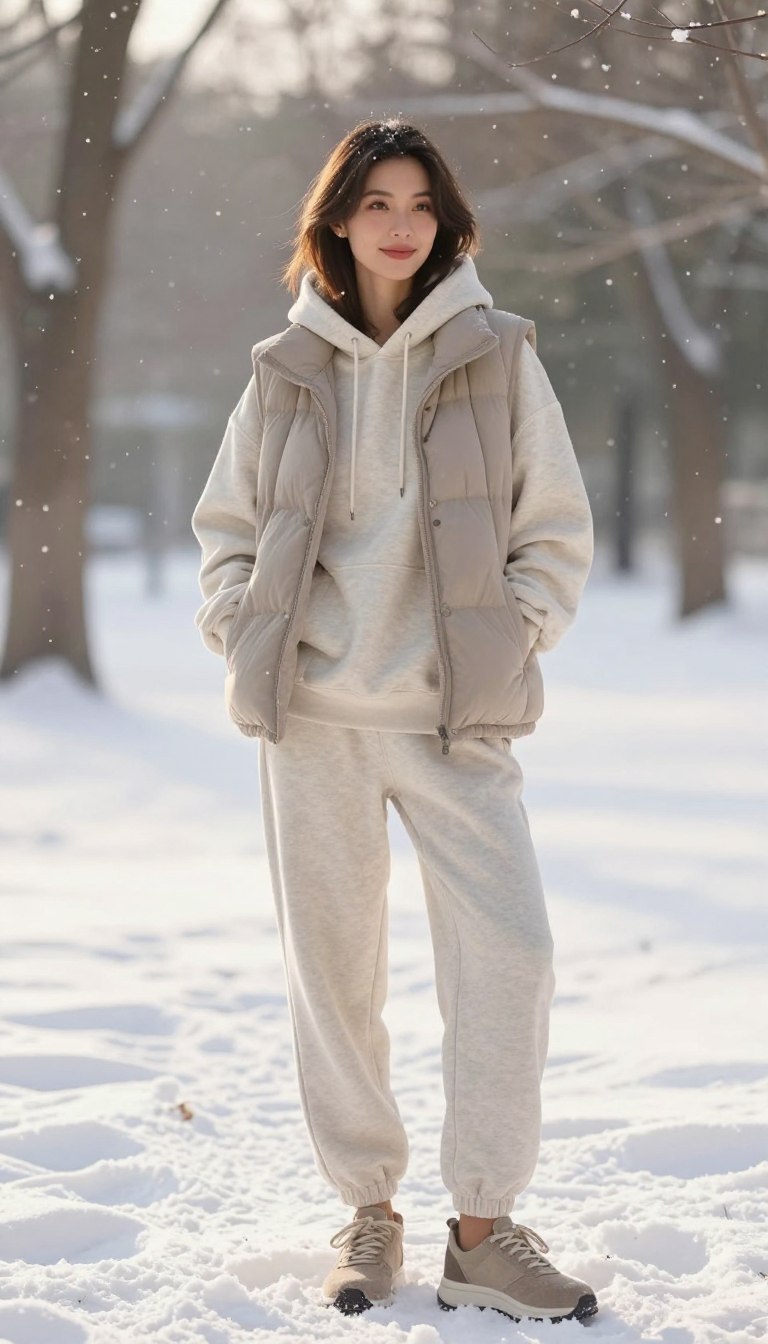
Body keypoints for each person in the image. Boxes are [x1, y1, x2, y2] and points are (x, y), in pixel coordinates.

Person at [191, 117, 597, 1326]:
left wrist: (513, 633)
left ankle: (483, 1228)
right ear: (338, 221)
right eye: (377, 202)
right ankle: (368, 1211)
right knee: (335, 974)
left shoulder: (497, 352)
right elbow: (228, 528)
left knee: (512, 954)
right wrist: (243, 629)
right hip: (312, 717)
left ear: (447, 222)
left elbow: (554, 525)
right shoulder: (285, 368)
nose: (401, 223)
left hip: (451, 721)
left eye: (421, 203)